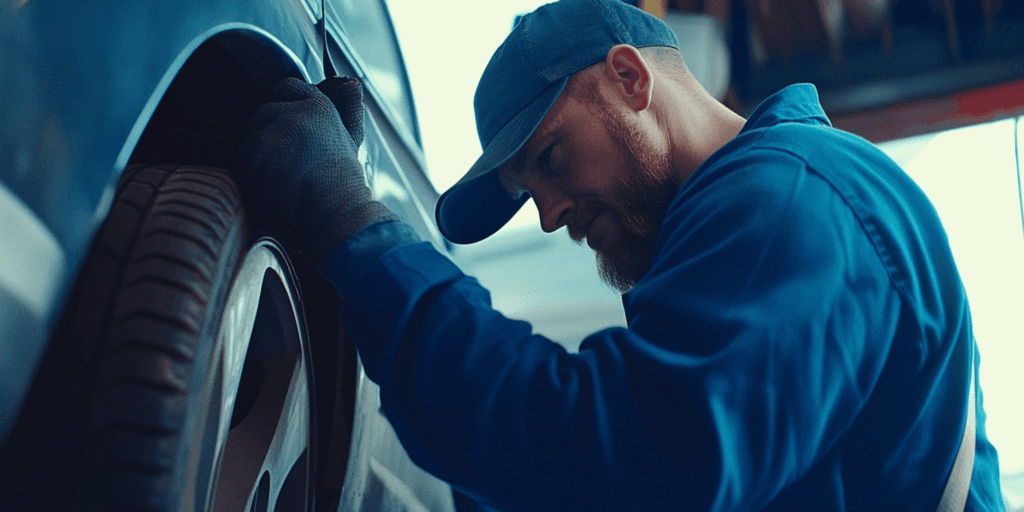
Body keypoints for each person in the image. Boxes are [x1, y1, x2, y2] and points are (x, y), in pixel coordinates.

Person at [236, 0, 1006, 510]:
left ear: (630, 79)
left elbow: (612, 460)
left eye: (550, 159)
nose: (548, 214)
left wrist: (355, 232)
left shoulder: (790, 200)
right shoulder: (781, 213)